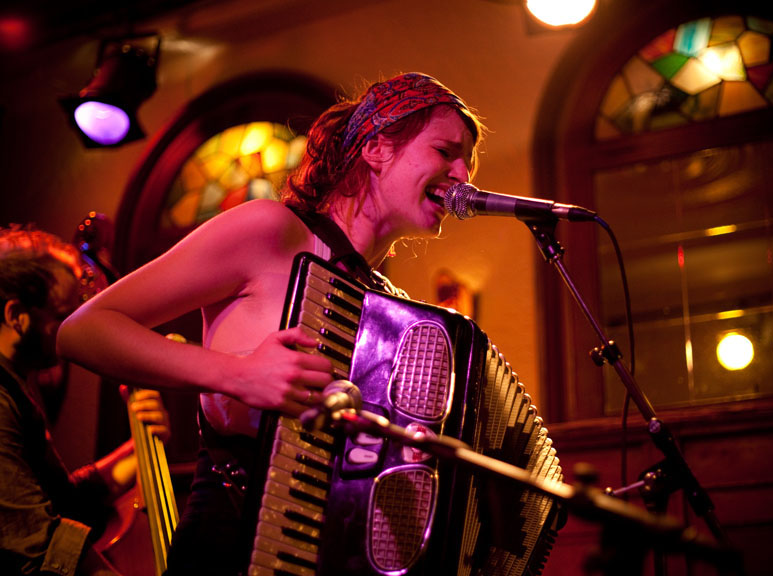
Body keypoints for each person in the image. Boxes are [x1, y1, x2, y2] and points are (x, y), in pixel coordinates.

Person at [56, 71, 485, 574]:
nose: (463, 175)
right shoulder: (271, 229)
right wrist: (237, 373)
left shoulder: (388, 306)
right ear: (376, 148)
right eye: (445, 151)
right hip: (230, 537)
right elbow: (83, 330)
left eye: (468, 162)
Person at [0, 225, 171, 575]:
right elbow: (36, 544)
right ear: (16, 316)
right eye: (62, 315)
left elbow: (64, 502)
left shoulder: (17, 390)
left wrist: (140, 449)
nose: (73, 329)